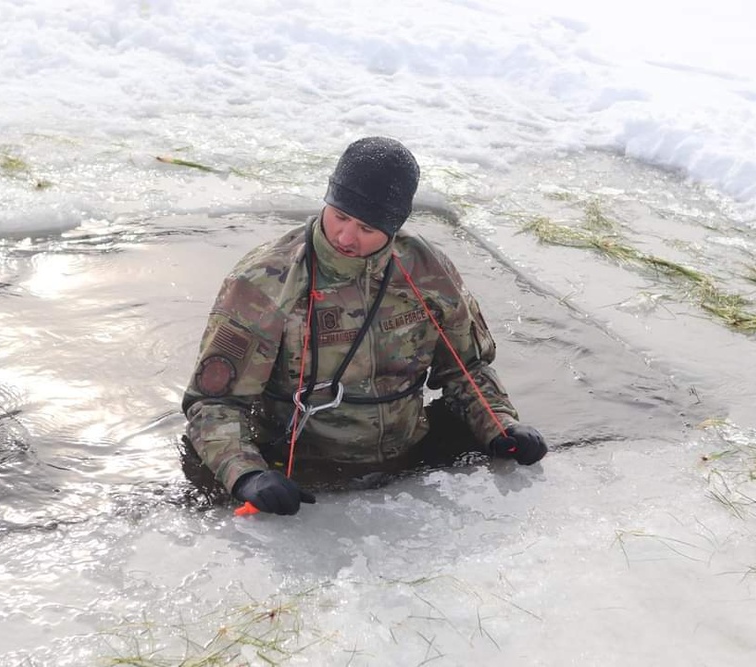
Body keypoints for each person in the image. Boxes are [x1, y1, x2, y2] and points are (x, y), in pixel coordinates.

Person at [180, 136, 547, 515]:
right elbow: (214, 403)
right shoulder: (264, 283)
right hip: (305, 468)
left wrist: (500, 424)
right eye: (340, 216)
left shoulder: (427, 270)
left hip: (408, 457)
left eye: (367, 228)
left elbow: (466, 369)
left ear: (393, 226)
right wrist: (246, 475)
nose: (345, 237)